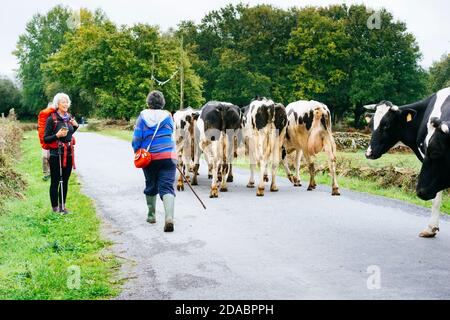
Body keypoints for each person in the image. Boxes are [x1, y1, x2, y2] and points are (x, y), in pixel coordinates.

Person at [132, 91, 177, 232]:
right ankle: (169, 217)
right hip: (168, 156)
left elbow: (137, 138)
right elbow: (172, 135)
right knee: (167, 187)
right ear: (162, 103)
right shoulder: (168, 117)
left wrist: (137, 151)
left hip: (149, 158)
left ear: (148, 102)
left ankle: (151, 216)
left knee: (151, 184)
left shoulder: (142, 117)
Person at [43, 93, 79, 214]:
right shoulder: (51, 119)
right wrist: (57, 135)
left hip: (68, 153)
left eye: (67, 102)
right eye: (63, 102)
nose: (65, 104)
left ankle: (63, 207)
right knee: (56, 181)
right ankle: (55, 209)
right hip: (55, 154)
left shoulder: (69, 117)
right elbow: (46, 138)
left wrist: (75, 126)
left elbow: (69, 134)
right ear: (57, 104)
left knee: (66, 180)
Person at [42, 103, 55, 181]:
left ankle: (52, 173)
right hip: (45, 141)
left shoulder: (56, 117)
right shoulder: (44, 117)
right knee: (44, 157)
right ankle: (46, 173)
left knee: (52, 157)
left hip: (54, 140)